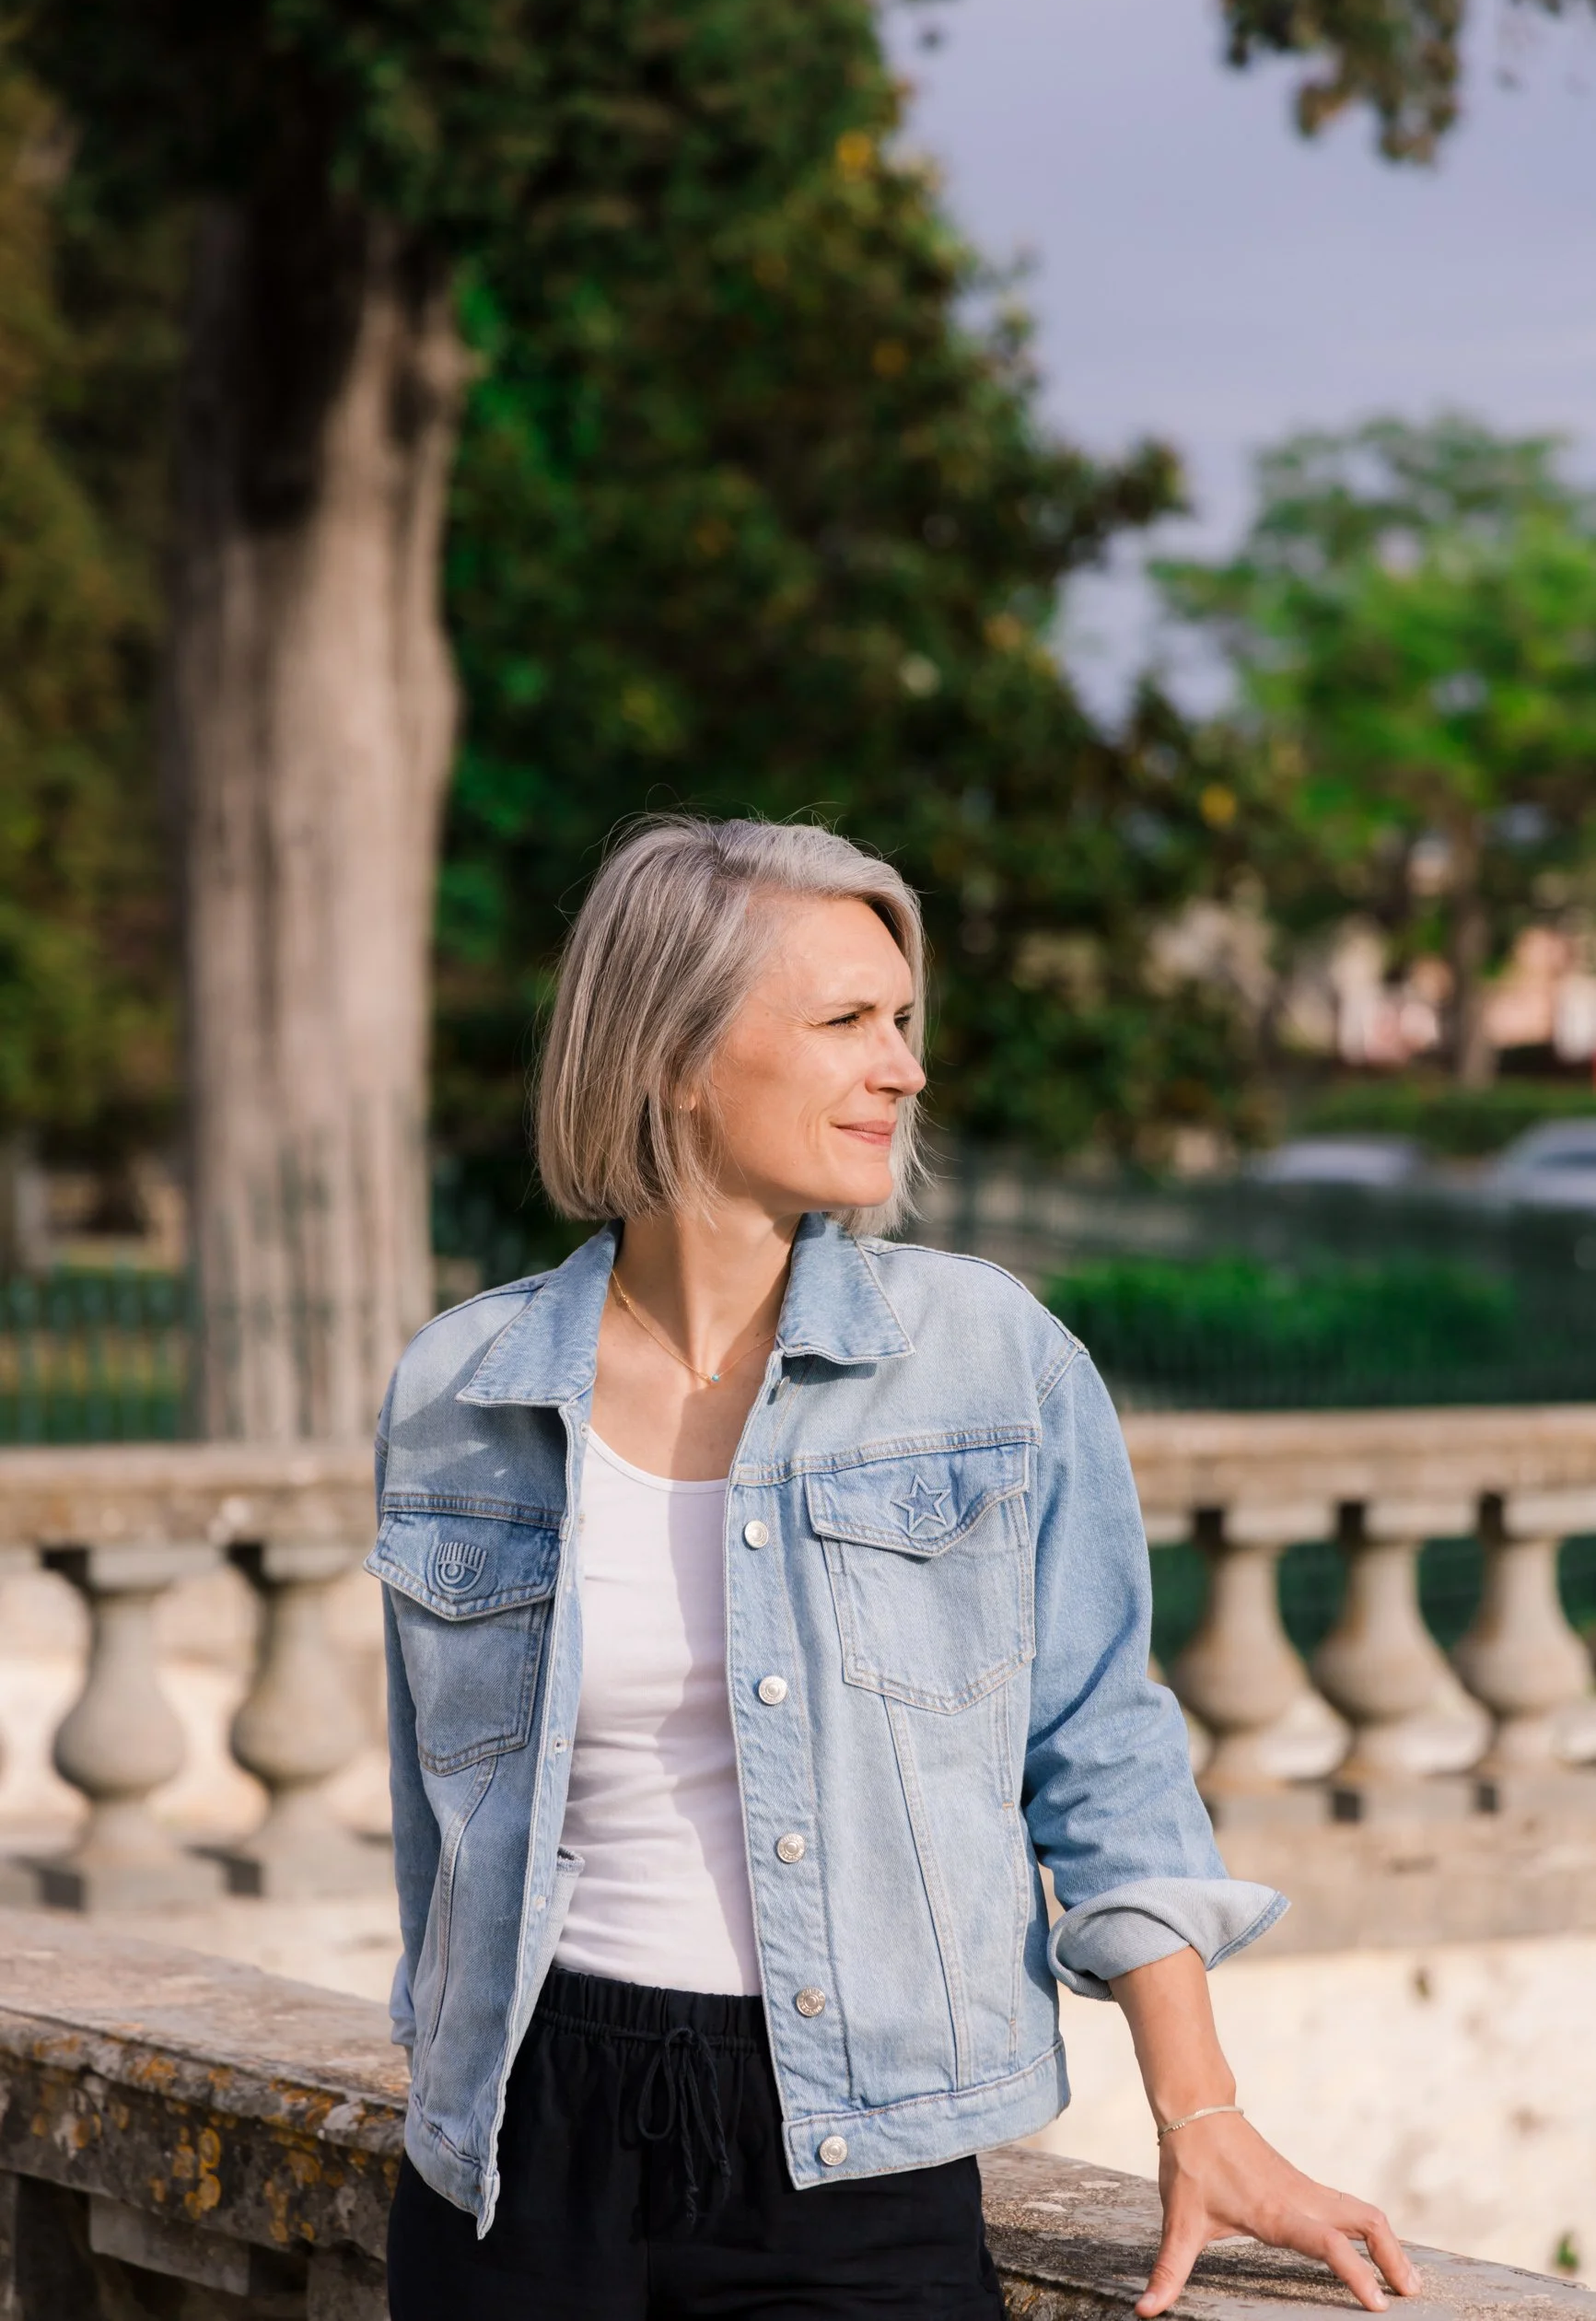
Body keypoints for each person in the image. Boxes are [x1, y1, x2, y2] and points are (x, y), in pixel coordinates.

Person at [374, 816, 1418, 2321]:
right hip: (512, 2168)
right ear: (672, 1051)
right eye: (848, 1021)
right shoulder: (459, 1386)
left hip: (852, 2165)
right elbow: (440, 1810)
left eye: (905, 1021)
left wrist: (1202, 2114)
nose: (906, 1067)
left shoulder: (990, 1360)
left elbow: (1103, 1747)